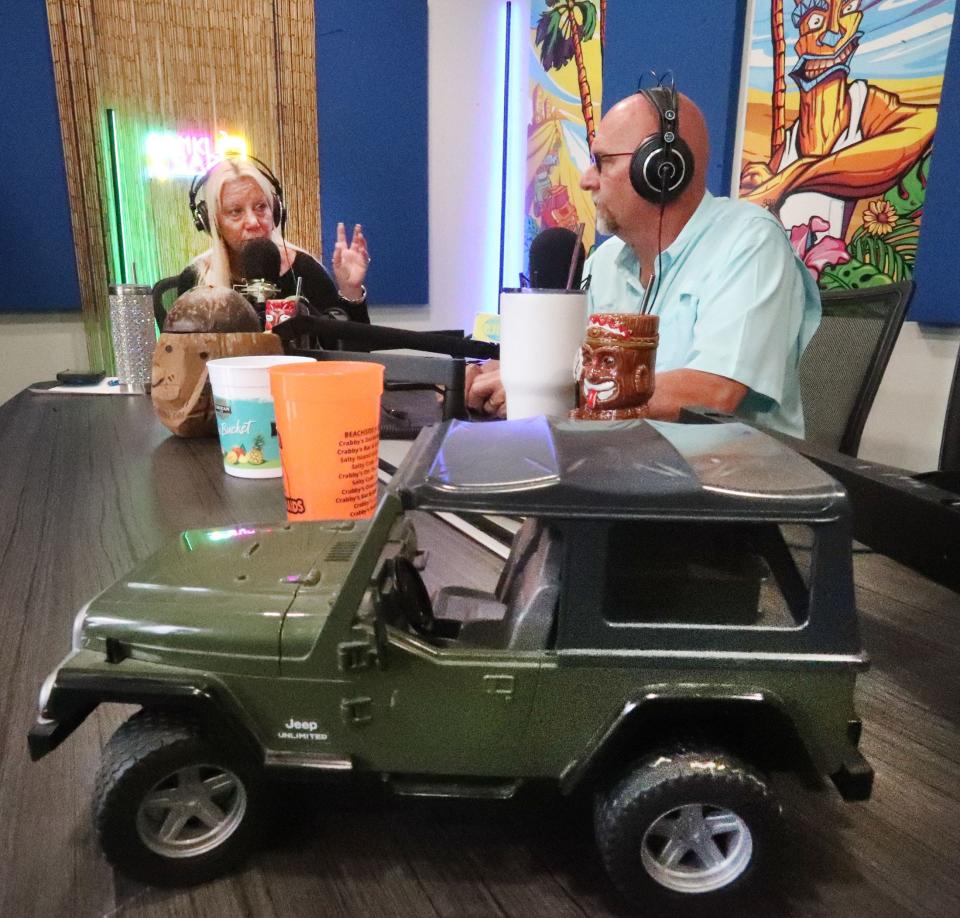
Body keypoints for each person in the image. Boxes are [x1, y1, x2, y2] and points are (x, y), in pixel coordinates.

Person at [466, 88, 821, 437]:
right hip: (622, 469)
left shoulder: (750, 241)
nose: (586, 180)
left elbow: (715, 392)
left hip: (726, 481)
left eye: (602, 161)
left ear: (660, 170)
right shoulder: (603, 263)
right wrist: (508, 375)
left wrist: (552, 390)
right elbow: (575, 369)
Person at [178, 157, 371, 323]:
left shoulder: (305, 270)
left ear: (276, 211)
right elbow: (183, 361)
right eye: (236, 212)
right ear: (213, 223)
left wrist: (350, 291)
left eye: (261, 207)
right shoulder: (196, 281)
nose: (253, 222)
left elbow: (353, 352)